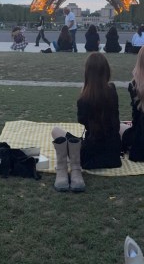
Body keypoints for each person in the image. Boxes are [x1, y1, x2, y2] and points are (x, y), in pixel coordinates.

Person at [50, 54, 123, 192]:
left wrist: (84, 93)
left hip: (90, 156)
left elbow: (82, 120)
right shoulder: (112, 91)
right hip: (113, 154)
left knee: (56, 131)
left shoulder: (84, 99)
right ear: (106, 70)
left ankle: (64, 166)